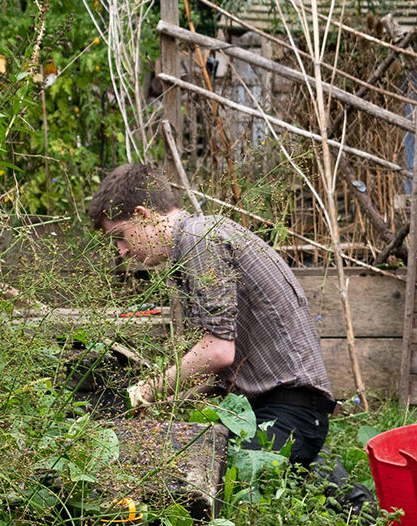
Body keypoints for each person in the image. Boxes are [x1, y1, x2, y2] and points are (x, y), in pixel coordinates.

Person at [87, 163, 337, 467]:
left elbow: (218, 351)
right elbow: (227, 368)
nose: (122, 251)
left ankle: (317, 470)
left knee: (195, 473)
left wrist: (143, 392)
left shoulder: (198, 240)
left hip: (288, 414)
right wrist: (172, 402)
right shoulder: (200, 238)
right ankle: (328, 480)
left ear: (143, 215)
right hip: (284, 412)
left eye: (121, 236)